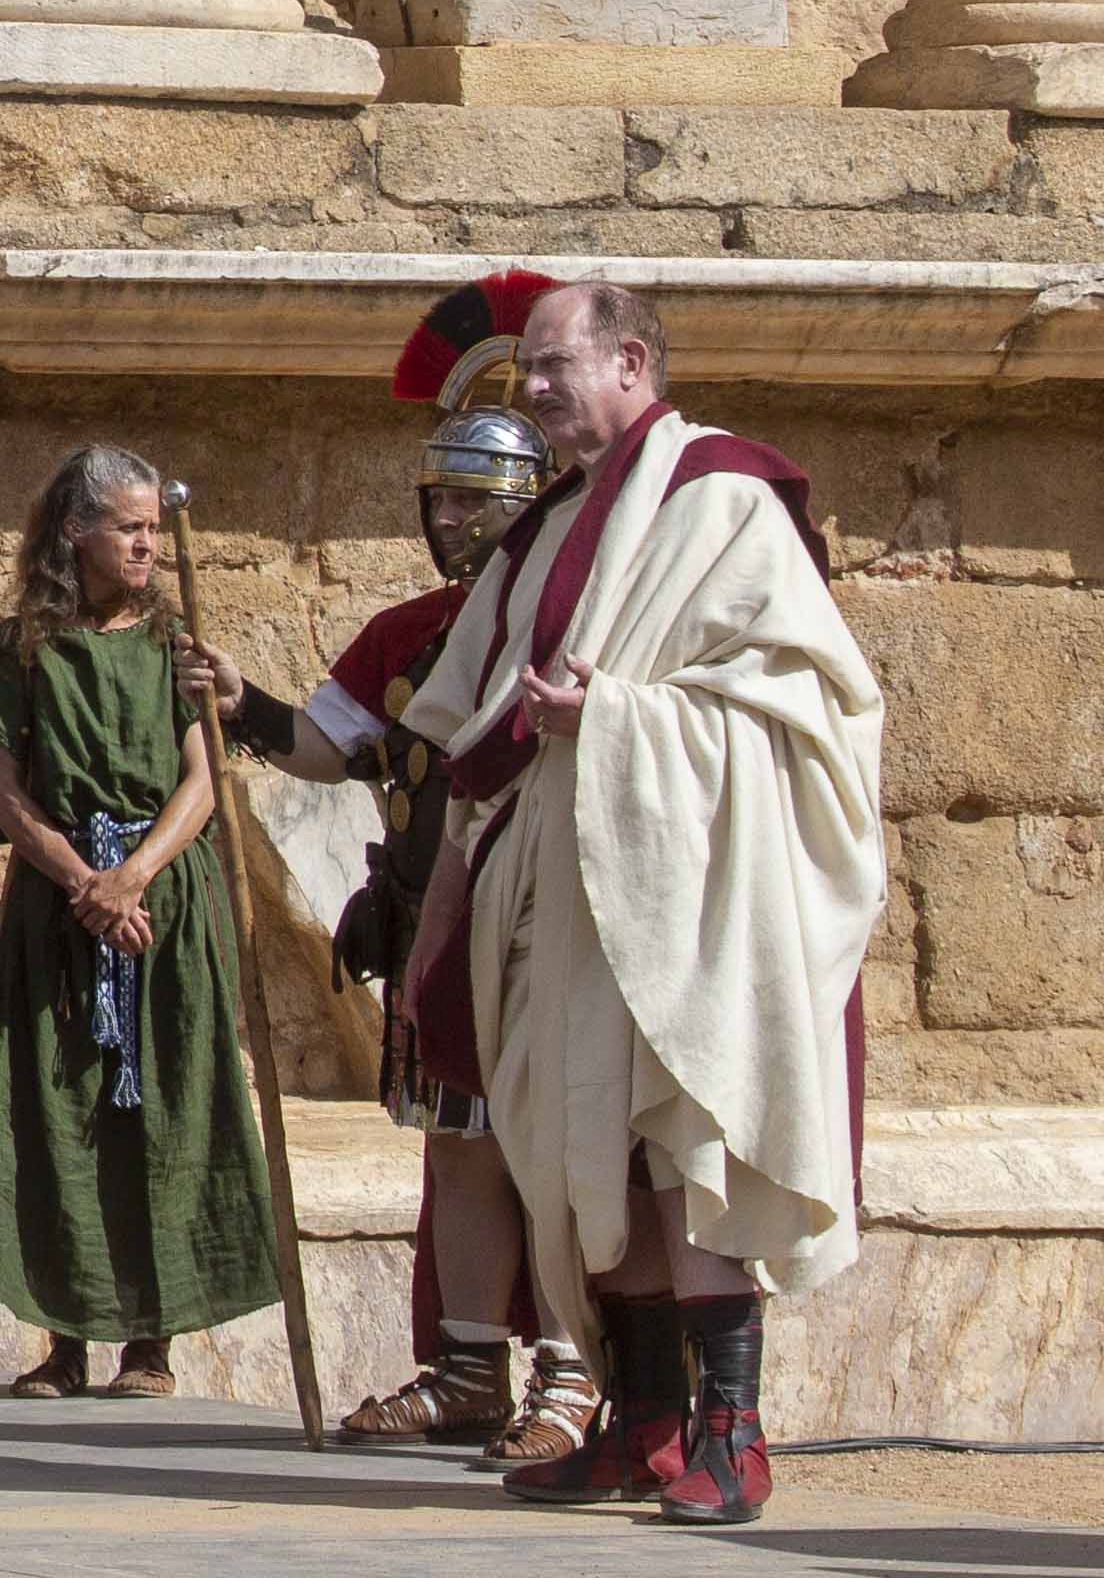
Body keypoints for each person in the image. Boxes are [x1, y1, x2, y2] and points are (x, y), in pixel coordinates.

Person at [404, 279, 882, 1528]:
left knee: (686, 1152)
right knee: (585, 1152)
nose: (537, 390)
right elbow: (473, 735)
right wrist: (443, 914)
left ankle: (734, 1436)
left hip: (686, 891)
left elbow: (811, 702)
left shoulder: (723, 499)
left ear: (631, 363)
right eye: (530, 373)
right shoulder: (546, 528)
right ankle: (645, 1423)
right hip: (558, 892)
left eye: (556, 366)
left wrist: (614, 717)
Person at [207, 290, 580, 1463]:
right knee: (462, 1144)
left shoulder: (572, 614)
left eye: (474, 497)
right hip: (436, 923)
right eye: (441, 495)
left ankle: (571, 1376)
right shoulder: (407, 628)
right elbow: (329, 745)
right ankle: (471, 1366)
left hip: (548, 926)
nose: (450, 517)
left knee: (555, 1151)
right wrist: (241, 704)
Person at [0, 445, 281, 1400]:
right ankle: (63, 1338)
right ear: (75, 532)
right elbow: (5, 796)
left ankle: (151, 1342)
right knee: (59, 1115)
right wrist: (83, 880)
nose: (146, 544)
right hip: (60, 909)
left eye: (150, 526)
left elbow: (206, 775)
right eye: (128, 527)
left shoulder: (179, 642)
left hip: (163, 904)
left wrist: (133, 875)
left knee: (165, 1110)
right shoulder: (19, 648)